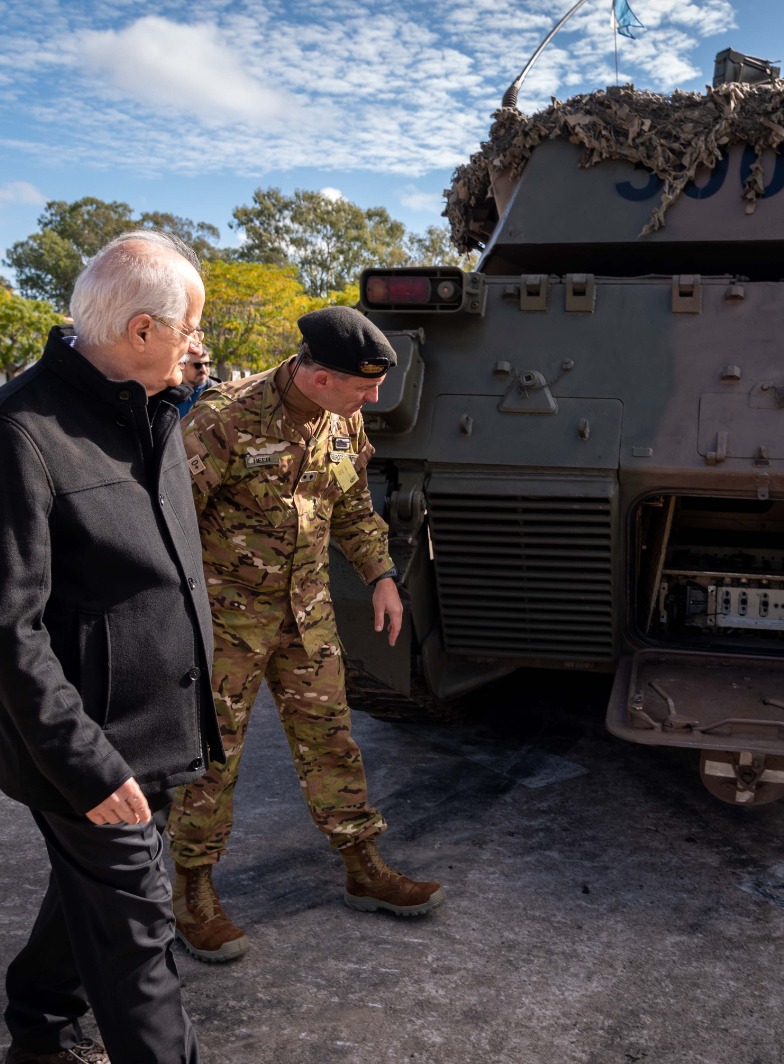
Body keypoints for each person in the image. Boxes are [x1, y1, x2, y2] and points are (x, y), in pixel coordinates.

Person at [0, 230, 222, 1064]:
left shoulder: (150, 403)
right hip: (92, 747)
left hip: (163, 724)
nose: (197, 347)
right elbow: (7, 624)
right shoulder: (17, 432)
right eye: (188, 329)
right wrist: (88, 766)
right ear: (140, 331)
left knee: (93, 905)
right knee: (140, 941)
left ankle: (38, 1027)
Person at [169, 305, 444, 966]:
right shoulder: (221, 421)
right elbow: (170, 524)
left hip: (306, 611)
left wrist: (380, 573)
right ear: (318, 377)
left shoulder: (343, 418)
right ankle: (193, 890)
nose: (374, 397)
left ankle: (361, 863)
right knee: (214, 754)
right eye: (362, 384)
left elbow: (350, 502)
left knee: (331, 737)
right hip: (227, 620)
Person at [175, 350, 214, 418]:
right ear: (182, 365)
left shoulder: (219, 393)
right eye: (198, 365)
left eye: (207, 364)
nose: (204, 369)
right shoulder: (167, 391)